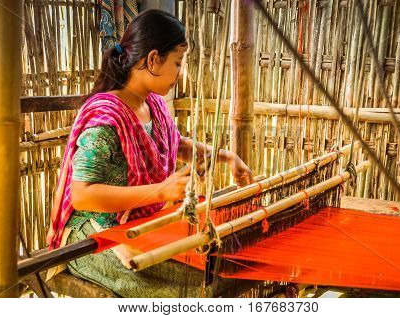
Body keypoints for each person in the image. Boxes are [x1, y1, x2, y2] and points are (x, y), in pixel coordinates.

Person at [45, 9, 254, 298]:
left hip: (138, 223)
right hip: (95, 236)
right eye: (178, 63)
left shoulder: (152, 104)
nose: (181, 73)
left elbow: (174, 143)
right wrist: (159, 192)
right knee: (205, 282)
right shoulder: (106, 118)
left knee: (226, 260)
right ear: (154, 59)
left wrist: (226, 156)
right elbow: (82, 194)